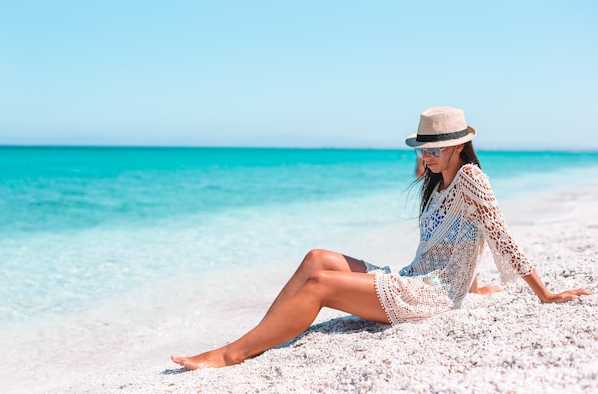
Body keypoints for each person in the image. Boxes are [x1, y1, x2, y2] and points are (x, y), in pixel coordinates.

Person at [171, 106, 594, 369]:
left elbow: (500, 235)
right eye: (421, 149)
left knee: (320, 286)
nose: (424, 156)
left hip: (429, 295)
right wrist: (474, 280)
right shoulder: (441, 181)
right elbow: (457, 241)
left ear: (458, 147)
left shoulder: (471, 178)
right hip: (414, 277)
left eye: (432, 149)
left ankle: (231, 353)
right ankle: (260, 336)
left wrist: (546, 295)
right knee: (317, 257)